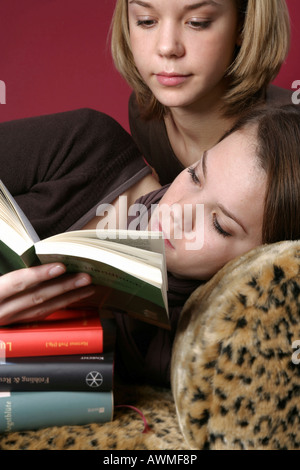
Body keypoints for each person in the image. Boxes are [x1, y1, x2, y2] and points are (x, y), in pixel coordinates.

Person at [1, 104, 300, 385]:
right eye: (196, 175)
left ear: (265, 259)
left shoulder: (211, 344)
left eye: (219, 225)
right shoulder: (87, 145)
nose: (178, 212)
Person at [111, 0, 296, 185]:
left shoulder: (290, 142)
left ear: (243, 26)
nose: (167, 48)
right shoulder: (143, 115)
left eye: (197, 22)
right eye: (146, 21)